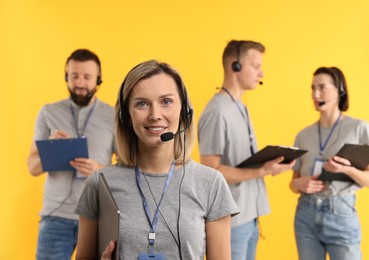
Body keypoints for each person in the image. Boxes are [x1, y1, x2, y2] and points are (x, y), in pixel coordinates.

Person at [74, 60, 240, 260]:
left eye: (166, 102)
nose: (155, 115)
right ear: (126, 115)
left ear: (183, 112)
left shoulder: (211, 184)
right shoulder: (100, 183)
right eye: (142, 104)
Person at [198, 40, 295, 260]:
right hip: (231, 222)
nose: (261, 72)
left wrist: (269, 165)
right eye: (255, 65)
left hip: (250, 216)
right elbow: (211, 172)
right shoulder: (217, 112)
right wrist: (263, 171)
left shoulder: (241, 106)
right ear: (236, 66)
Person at [27, 49, 117, 260]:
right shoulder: (48, 112)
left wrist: (99, 170)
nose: (80, 83)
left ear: (98, 79)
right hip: (55, 217)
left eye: (87, 77)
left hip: (98, 217)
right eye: (74, 76)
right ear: (66, 77)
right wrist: (49, 148)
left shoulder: (113, 115)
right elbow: (32, 167)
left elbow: (129, 167)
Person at [290, 66, 369, 260]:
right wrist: (299, 184)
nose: (315, 94)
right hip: (305, 214)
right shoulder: (303, 135)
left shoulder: (359, 128)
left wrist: (346, 169)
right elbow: (293, 183)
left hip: (340, 213)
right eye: (312, 88)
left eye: (322, 87)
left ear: (339, 90)